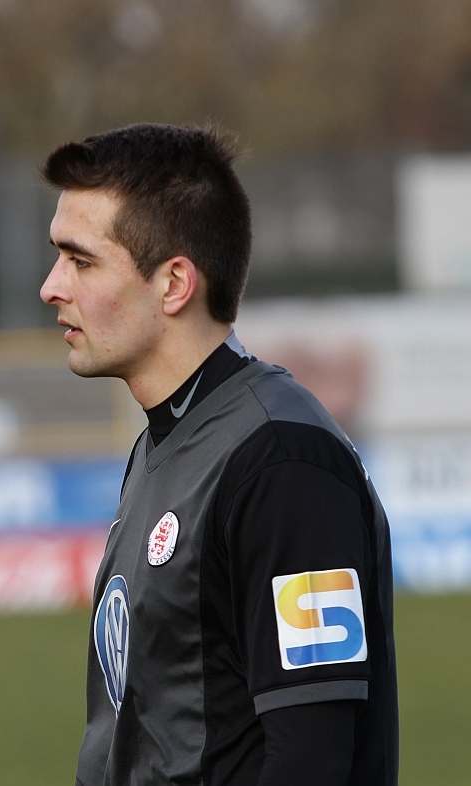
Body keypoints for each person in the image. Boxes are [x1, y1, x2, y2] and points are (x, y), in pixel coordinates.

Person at [40, 123, 398, 786]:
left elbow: (312, 758)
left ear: (175, 283)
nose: (51, 287)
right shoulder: (167, 442)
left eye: (80, 261)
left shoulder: (283, 462)